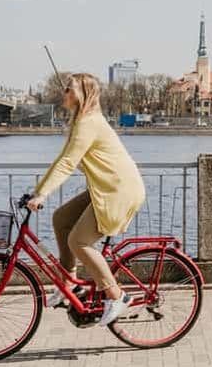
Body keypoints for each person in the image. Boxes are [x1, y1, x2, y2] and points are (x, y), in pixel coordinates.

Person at [26, 73, 146, 327]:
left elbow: (68, 164)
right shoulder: (83, 121)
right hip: (105, 187)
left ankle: (116, 295)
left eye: (69, 90)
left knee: (79, 241)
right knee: (61, 219)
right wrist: (38, 191)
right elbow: (63, 159)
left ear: (82, 94)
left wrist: (42, 194)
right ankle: (69, 285)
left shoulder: (89, 122)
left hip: (118, 190)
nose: (64, 94)